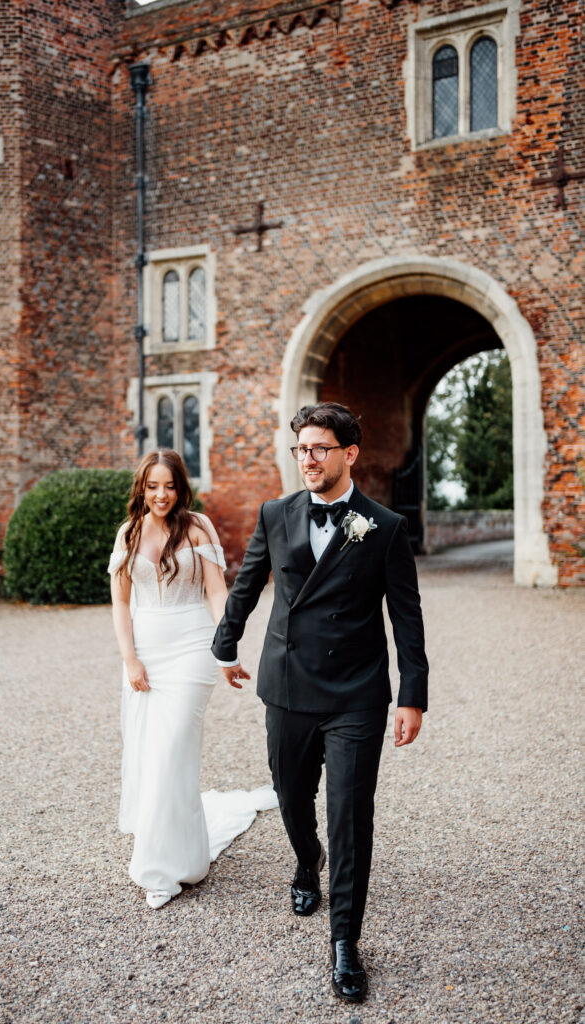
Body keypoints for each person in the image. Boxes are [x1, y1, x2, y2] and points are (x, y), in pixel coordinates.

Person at [212, 402, 428, 1003]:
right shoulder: (275, 514)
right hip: (287, 685)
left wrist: (413, 694)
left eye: (319, 449)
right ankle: (307, 863)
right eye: (300, 449)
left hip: (357, 692)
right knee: (290, 796)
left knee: (352, 814)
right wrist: (224, 644)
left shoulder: (383, 526)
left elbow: (406, 618)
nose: (307, 459)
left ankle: (345, 943)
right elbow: (250, 582)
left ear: (348, 454)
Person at [108, 449, 276, 910]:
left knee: (171, 744)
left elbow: (216, 591)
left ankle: (156, 871)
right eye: (152, 486)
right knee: (156, 754)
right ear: (142, 488)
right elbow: (121, 604)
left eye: (170, 486)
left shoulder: (198, 527)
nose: (161, 495)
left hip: (191, 649)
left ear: (181, 488)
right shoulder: (128, 533)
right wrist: (131, 660)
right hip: (146, 653)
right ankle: (182, 854)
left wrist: (227, 650)